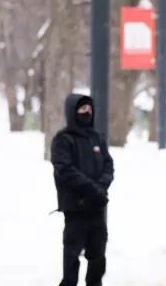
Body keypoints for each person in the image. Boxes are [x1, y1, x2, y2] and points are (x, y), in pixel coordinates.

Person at [51, 94, 114, 286]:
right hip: (76, 209)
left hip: (97, 209)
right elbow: (65, 170)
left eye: (89, 109)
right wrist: (91, 189)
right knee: (71, 258)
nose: (86, 112)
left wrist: (101, 187)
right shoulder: (63, 140)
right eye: (81, 109)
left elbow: (108, 165)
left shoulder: (97, 138)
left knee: (98, 257)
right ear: (72, 111)